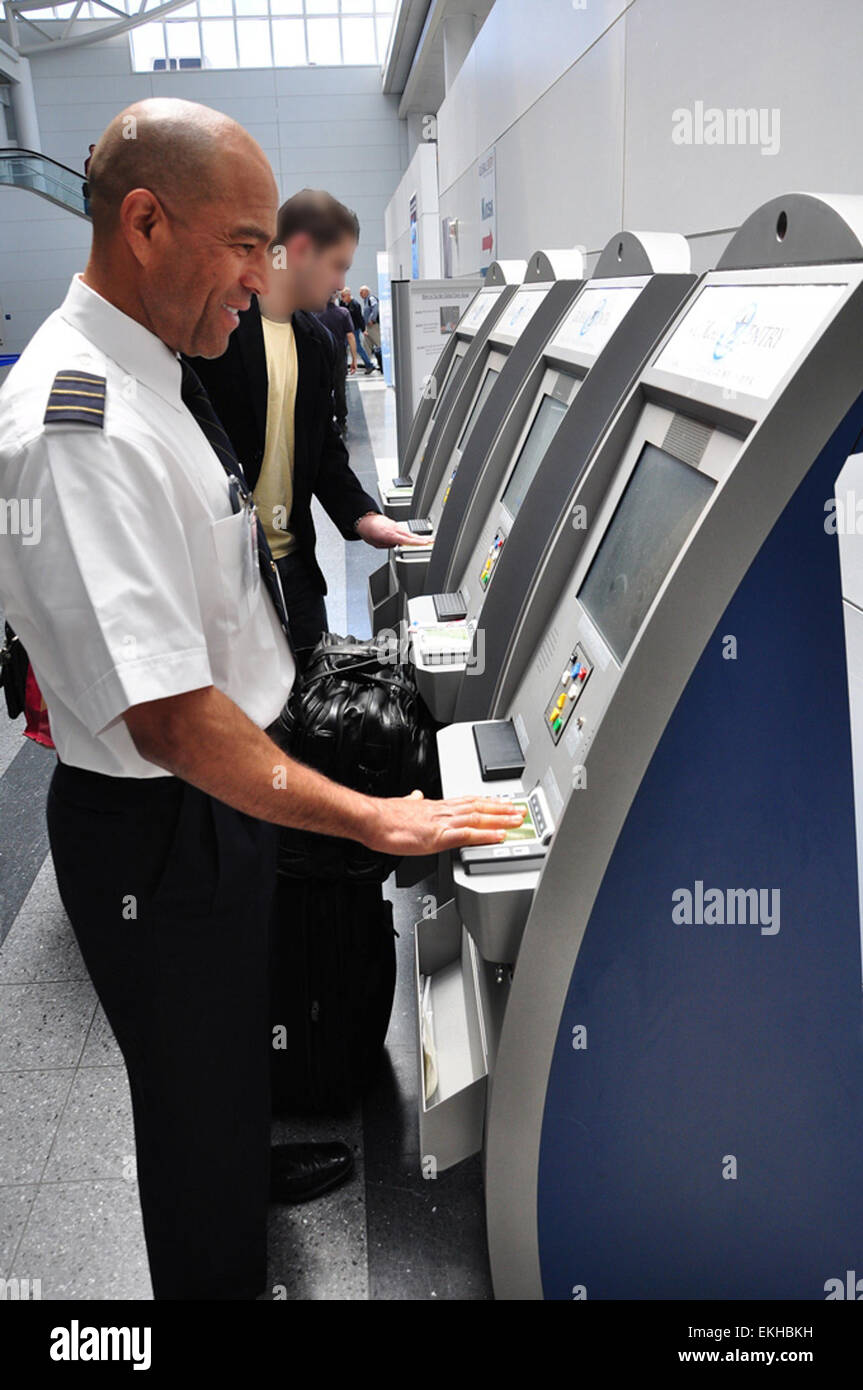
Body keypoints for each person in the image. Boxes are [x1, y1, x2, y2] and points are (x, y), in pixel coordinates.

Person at [0, 97, 525, 1302]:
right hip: (159, 827)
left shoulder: (155, 371)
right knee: (187, 1106)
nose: (263, 270)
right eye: (242, 240)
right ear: (144, 222)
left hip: (215, 796)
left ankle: (243, 1164)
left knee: (231, 1046)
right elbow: (170, 720)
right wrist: (373, 817)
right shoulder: (78, 424)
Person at [187, 188, 431, 664]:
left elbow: (322, 454)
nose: (342, 280)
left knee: (310, 712)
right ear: (300, 251)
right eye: (338, 265)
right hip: (219, 576)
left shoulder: (315, 341)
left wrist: (365, 518)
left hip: (293, 567)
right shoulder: (218, 331)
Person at [316, 290, 356, 436]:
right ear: (336, 297)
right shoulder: (343, 313)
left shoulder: (316, 313)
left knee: (323, 389)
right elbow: (350, 336)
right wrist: (354, 359)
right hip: (339, 355)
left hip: (321, 356)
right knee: (340, 389)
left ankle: (325, 420)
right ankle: (341, 420)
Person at [340, 285, 375, 373]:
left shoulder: (355, 304)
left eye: (343, 296)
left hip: (354, 329)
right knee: (343, 348)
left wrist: (363, 330)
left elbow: (360, 318)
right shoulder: (342, 303)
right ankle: (343, 368)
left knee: (358, 348)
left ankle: (369, 365)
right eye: (341, 296)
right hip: (346, 330)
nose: (342, 298)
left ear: (348, 295)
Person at [359, 284, 382, 370]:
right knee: (366, 345)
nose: (360, 294)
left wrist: (372, 319)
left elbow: (376, 307)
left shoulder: (371, 298)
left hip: (373, 326)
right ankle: (368, 363)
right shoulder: (366, 300)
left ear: (366, 292)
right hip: (368, 327)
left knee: (378, 343)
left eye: (361, 292)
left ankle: (382, 364)